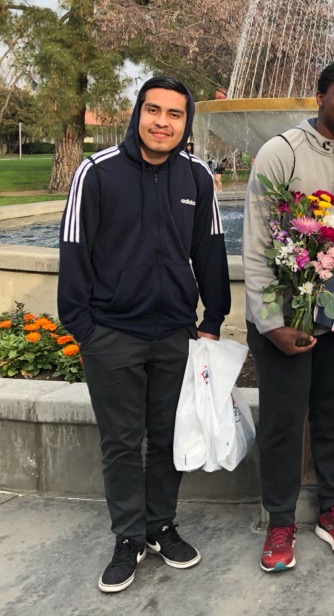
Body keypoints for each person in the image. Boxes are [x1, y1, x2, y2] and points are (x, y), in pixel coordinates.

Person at [58, 76, 230, 593]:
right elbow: (73, 249)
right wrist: (85, 329)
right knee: (120, 443)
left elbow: (212, 250)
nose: (162, 122)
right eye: (153, 110)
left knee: (168, 440)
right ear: (137, 113)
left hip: (175, 334)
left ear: (186, 123)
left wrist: (212, 319)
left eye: (174, 114)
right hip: (111, 334)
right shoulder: (97, 172)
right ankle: (128, 537)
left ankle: (160, 526)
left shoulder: (197, 177)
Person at [242, 61, 334, 572]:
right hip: (282, 323)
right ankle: (281, 520)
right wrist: (270, 323)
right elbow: (258, 242)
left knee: (332, 418)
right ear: (321, 95)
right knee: (284, 423)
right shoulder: (281, 152)